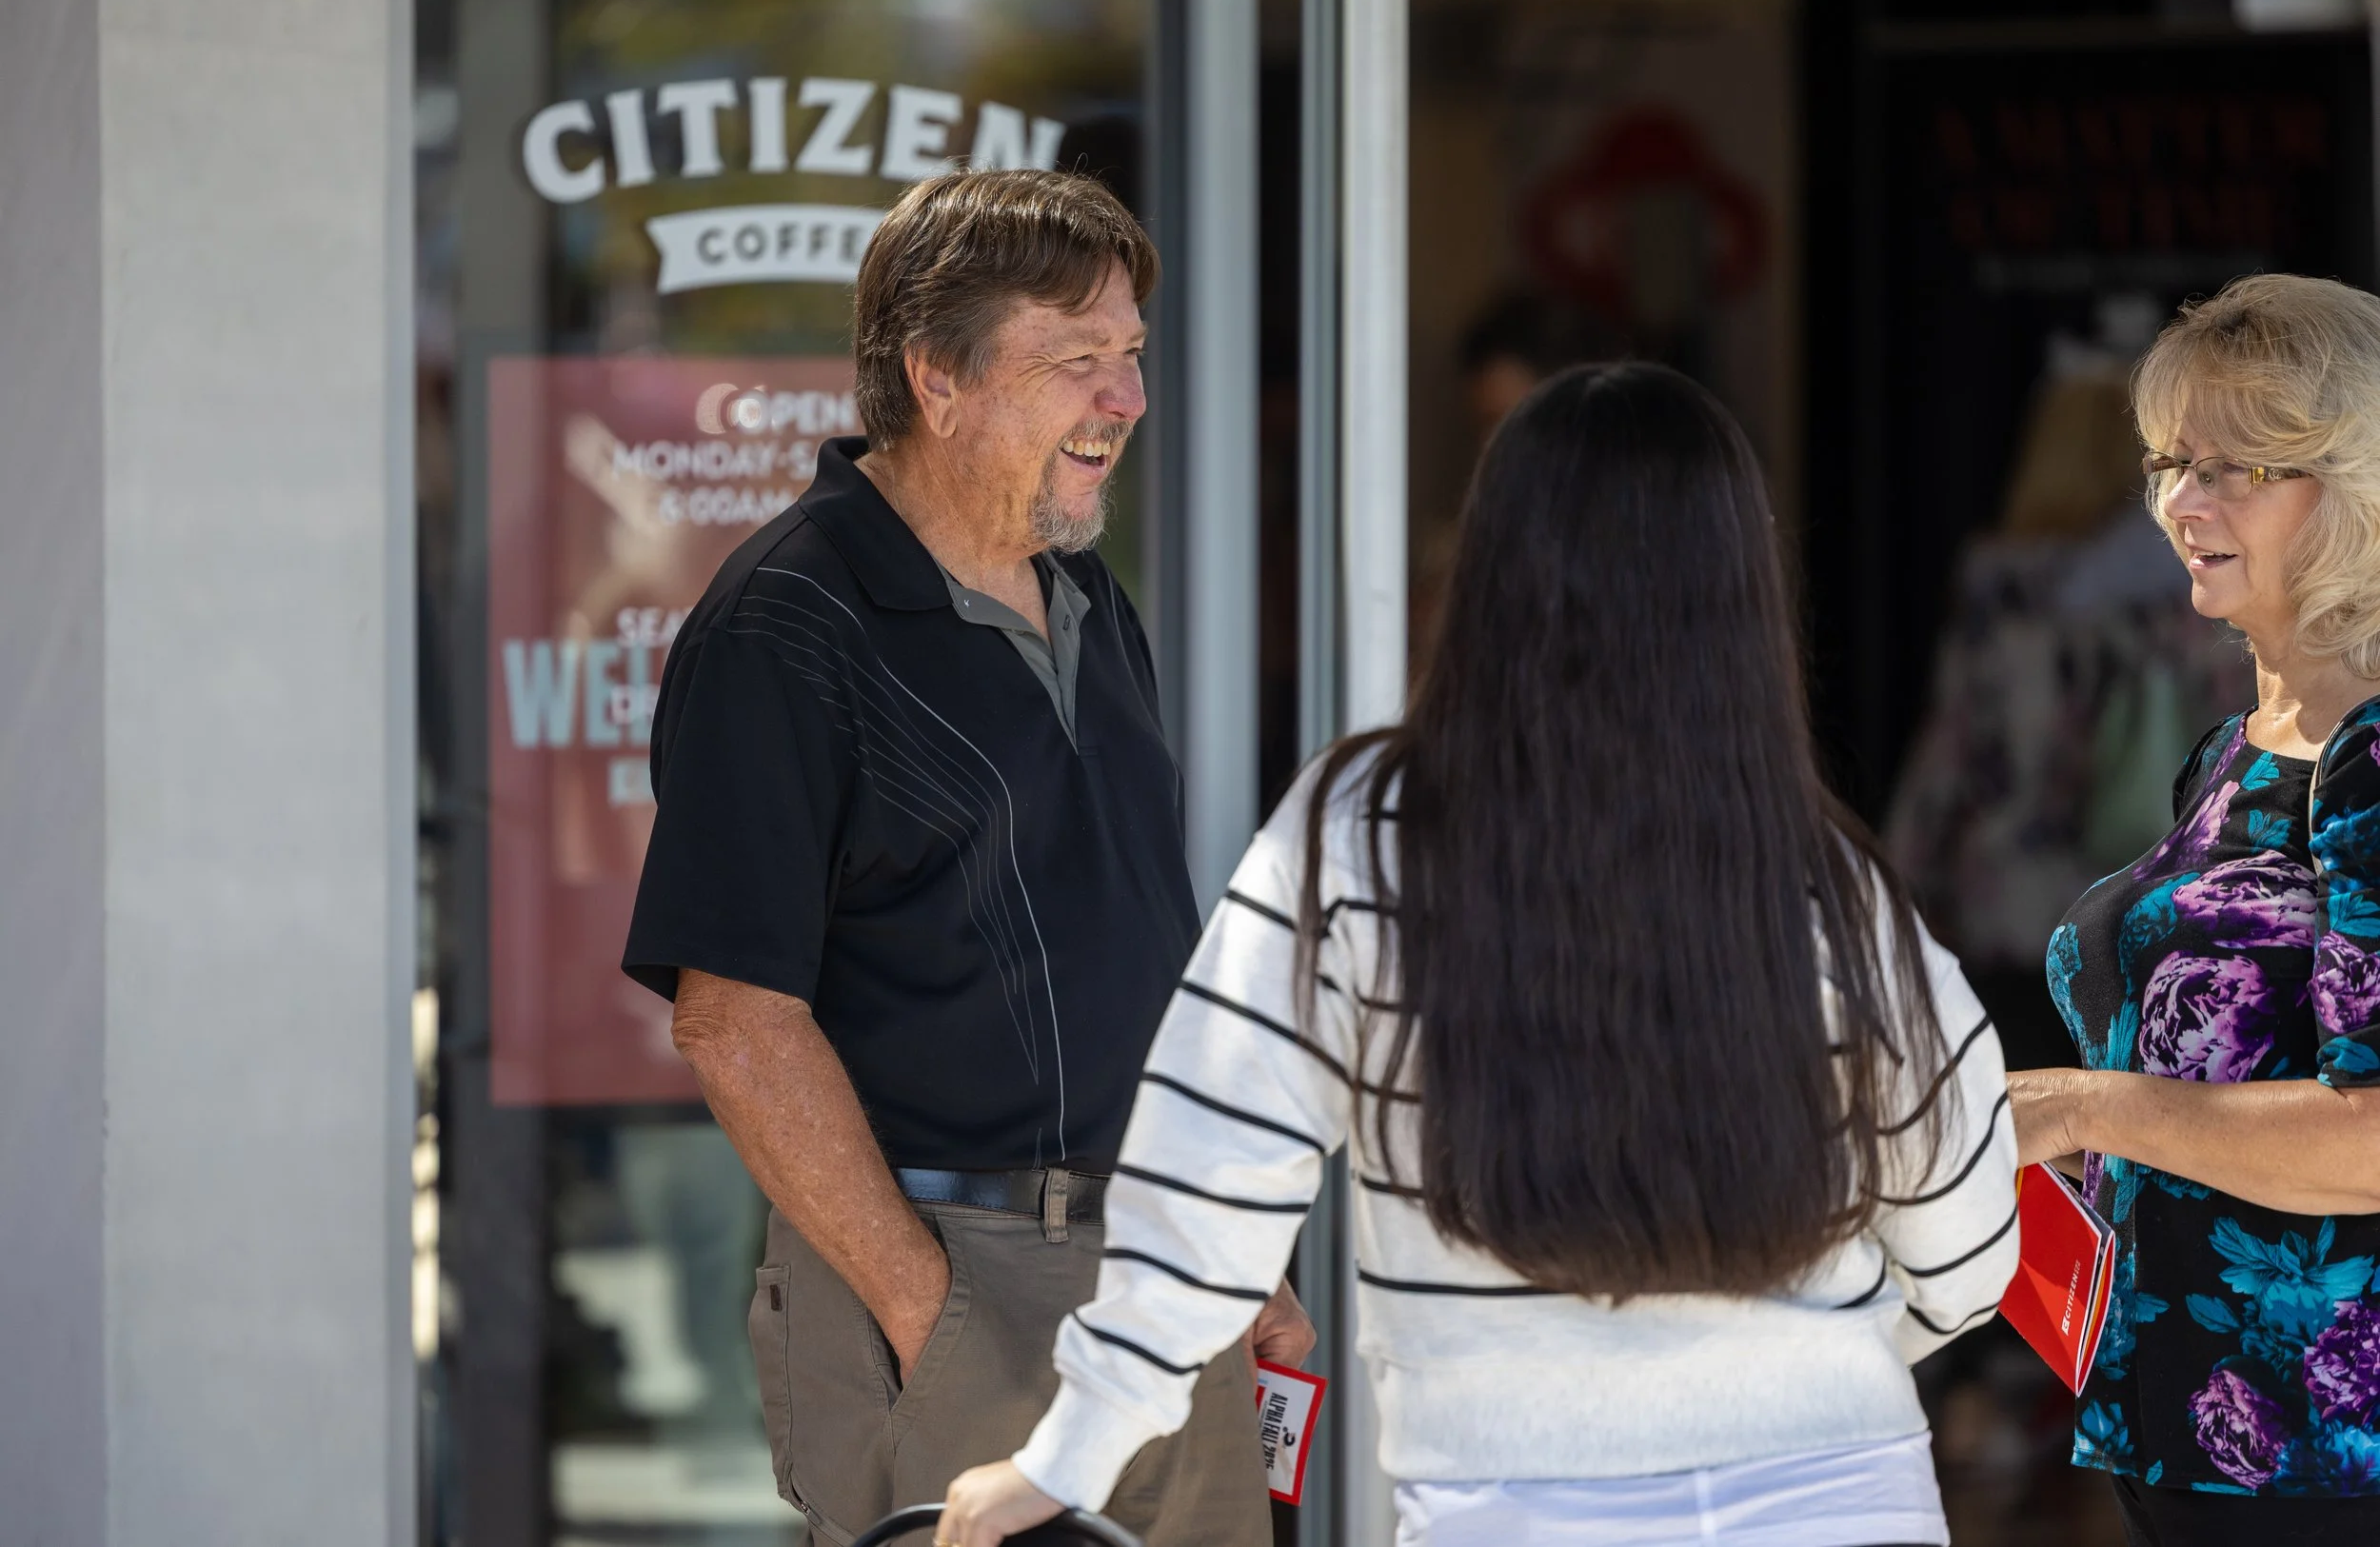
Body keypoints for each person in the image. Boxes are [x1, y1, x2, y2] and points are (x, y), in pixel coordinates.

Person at [941, 362, 2021, 1547]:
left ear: (1492, 572)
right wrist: (1827, 1349)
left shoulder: (1361, 833)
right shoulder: (1829, 879)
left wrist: (1071, 1452)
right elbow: (1968, 1249)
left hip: (1514, 1506)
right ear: (1743, 591)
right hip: (1840, 1493)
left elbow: (1210, 1179)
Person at [621, 168, 1305, 1547]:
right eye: (1077, 362)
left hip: (1161, 1283)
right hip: (955, 1278)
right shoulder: (784, 627)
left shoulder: (1087, 596)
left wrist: (1233, 1250)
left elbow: (1140, 944)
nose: (1128, 399)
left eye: (1131, 356)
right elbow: (736, 1019)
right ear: (937, 376)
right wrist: (930, 1313)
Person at [2008, 274, 2380, 1545]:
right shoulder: (2237, 746)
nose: (2181, 501)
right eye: (2172, 459)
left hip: (2329, 1461)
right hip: (2194, 1433)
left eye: (2239, 467)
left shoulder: (2373, 750)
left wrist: (2082, 1103)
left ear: (2357, 484)